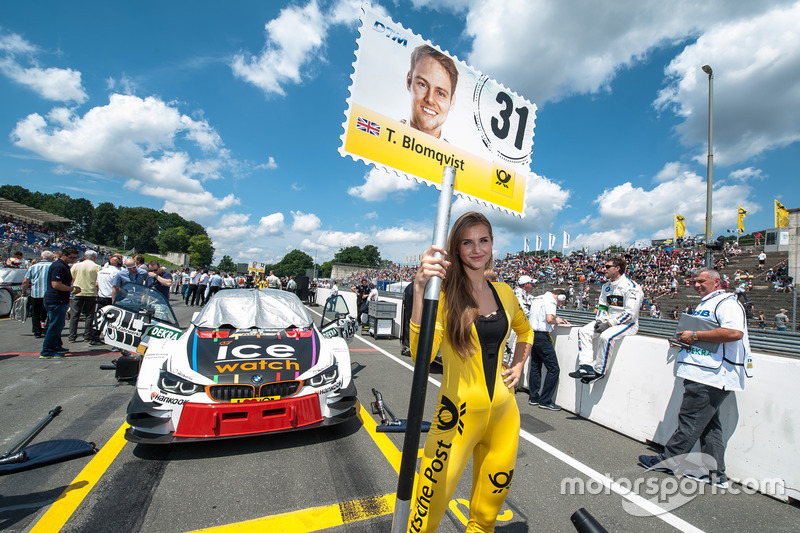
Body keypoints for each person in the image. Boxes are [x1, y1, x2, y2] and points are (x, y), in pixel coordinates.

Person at [408, 211, 532, 532]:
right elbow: (422, 355)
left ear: (492, 243)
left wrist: (518, 365)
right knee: (426, 516)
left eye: (484, 240)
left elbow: (526, 332)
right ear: (456, 248)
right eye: (468, 242)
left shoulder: (504, 292)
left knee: (486, 518)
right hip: (456, 417)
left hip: (505, 416)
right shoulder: (444, 295)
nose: (477, 249)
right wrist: (421, 292)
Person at [639, 267, 752, 488]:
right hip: (703, 371)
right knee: (709, 424)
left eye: (702, 281)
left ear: (717, 282)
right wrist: (684, 339)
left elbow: (734, 333)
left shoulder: (727, 303)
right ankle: (715, 474)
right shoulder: (708, 303)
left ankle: (669, 461)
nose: (697, 285)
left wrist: (696, 335)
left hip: (712, 374)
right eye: (694, 282)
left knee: (690, 420)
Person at [569, 256, 643, 383]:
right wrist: (599, 320)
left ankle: (599, 371)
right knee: (584, 331)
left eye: (608, 267)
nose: (604, 269)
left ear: (617, 268)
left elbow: (630, 313)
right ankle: (586, 366)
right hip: (608, 320)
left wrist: (609, 324)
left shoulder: (632, 287)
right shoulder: (606, 286)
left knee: (605, 337)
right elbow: (602, 306)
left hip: (627, 323)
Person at [527, 288, 571, 411]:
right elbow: (549, 319)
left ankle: (533, 397)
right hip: (542, 335)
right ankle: (545, 400)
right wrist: (559, 320)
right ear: (560, 296)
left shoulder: (538, 298)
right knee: (554, 369)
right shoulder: (550, 301)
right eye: (562, 302)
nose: (561, 304)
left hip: (532, 334)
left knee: (535, 366)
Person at [404, 44, 458, 140]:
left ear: (452, 102)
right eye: (423, 85)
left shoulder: (456, 154)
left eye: (440, 93)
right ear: (409, 81)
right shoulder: (381, 135)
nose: (430, 99)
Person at [40, 247, 80, 359]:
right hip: (56, 300)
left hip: (58, 299)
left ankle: (56, 346)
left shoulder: (63, 265)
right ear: (64, 255)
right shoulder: (59, 266)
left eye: (75, 258)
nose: (73, 260)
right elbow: (56, 284)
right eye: (72, 257)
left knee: (58, 325)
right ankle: (47, 350)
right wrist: (72, 289)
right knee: (55, 326)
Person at [68, 249, 101, 344]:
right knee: (89, 315)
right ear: (94, 258)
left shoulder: (76, 265)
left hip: (77, 291)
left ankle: (72, 336)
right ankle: (87, 335)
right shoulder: (97, 267)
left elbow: (71, 278)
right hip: (91, 292)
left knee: (74, 315)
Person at [22, 250, 55, 339]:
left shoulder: (33, 267)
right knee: (50, 313)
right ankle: (47, 329)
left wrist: (24, 292)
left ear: (41, 257)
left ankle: (37, 331)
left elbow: (25, 281)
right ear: (52, 258)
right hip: (50, 294)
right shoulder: (53, 266)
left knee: (35, 313)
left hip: (36, 293)